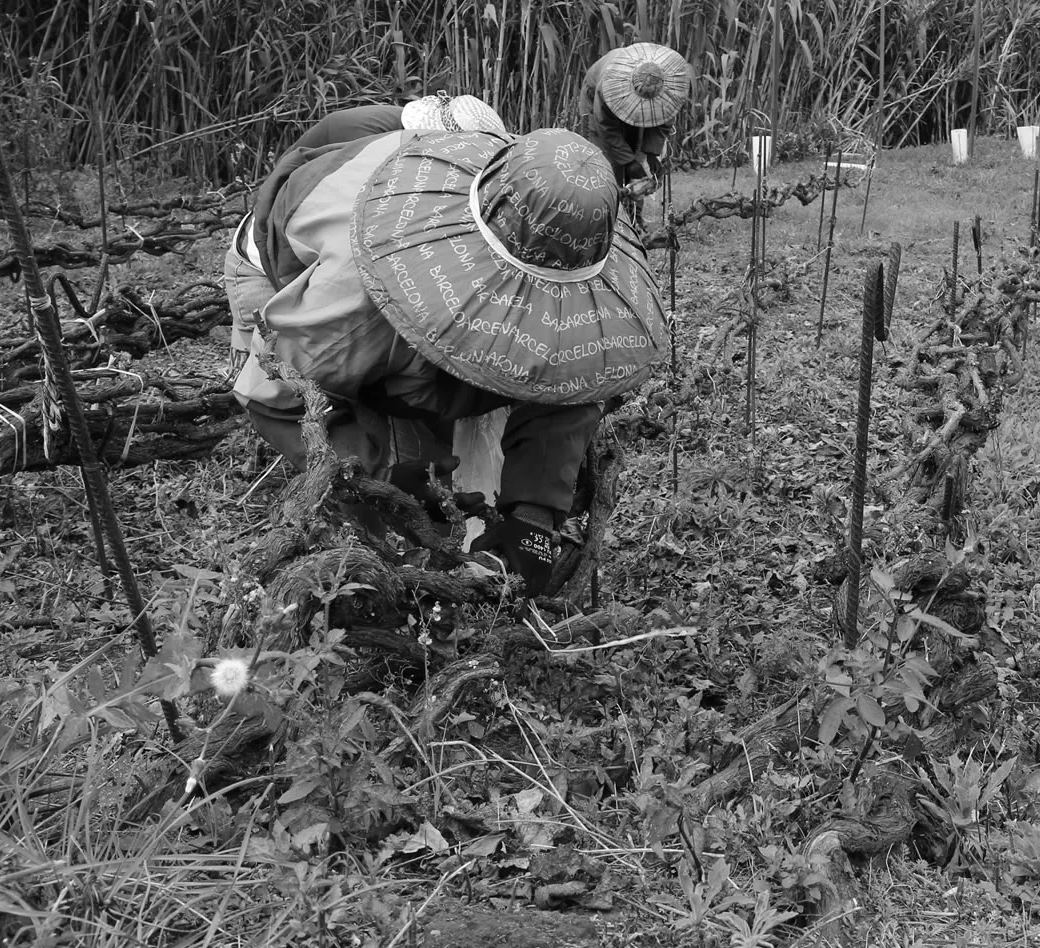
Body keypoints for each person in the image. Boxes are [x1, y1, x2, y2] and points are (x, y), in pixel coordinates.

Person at [223, 98, 666, 597]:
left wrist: (535, 518)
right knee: (382, 509)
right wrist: (384, 476)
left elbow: (571, 375)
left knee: (460, 463)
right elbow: (272, 394)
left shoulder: (549, 210)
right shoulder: (355, 301)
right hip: (283, 275)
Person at [578, 42, 691, 201]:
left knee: (638, 157)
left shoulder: (666, 89)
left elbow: (664, 120)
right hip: (596, 103)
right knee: (607, 162)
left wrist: (651, 153)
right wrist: (628, 161)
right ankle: (610, 212)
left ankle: (634, 216)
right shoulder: (607, 87)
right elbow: (606, 127)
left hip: (630, 97)